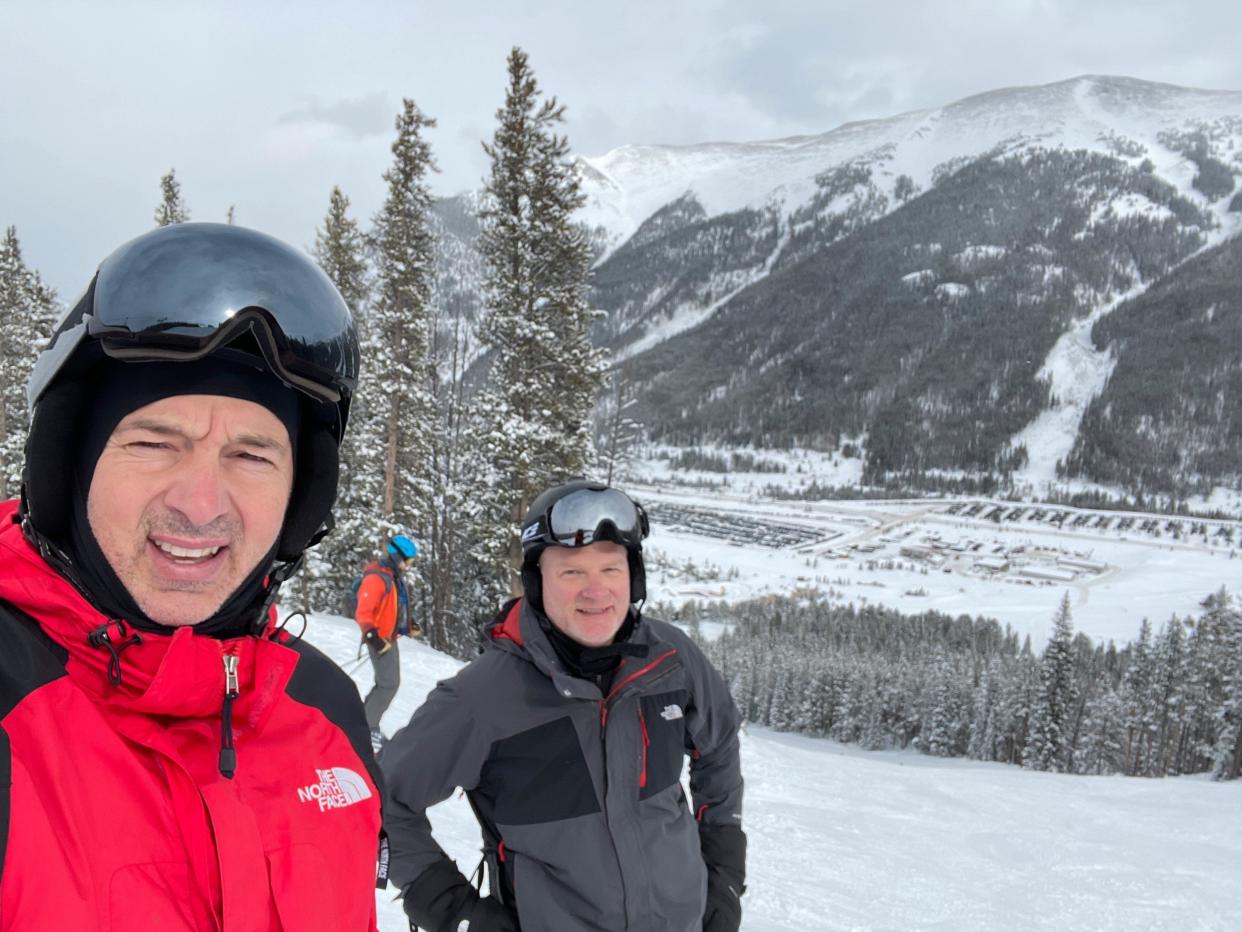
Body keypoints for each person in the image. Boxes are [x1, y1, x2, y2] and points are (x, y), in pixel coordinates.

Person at [0, 223, 386, 930]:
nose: (199, 504)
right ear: (69, 468)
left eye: (251, 456)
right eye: (153, 443)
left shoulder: (324, 709)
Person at [382, 480, 747, 932]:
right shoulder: (485, 697)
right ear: (536, 582)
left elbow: (719, 744)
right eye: (572, 572)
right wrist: (454, 911)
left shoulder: (670, 659)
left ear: (633, 577)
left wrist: (725, 871)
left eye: (611, 570)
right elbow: (381, 801)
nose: (596, 593)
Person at [355, 533, 419, 751]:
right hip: (380, 640)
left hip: (389, 638)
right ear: (396, 556)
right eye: (407, 561)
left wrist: (408, 625)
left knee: (388, 683)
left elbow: (393, 607)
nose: (408, 566)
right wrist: (373, 638)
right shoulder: (377, 577)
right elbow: (364, 612)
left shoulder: (392, 576)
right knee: (388, 684)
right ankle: (366, 727)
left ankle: (364, 722)